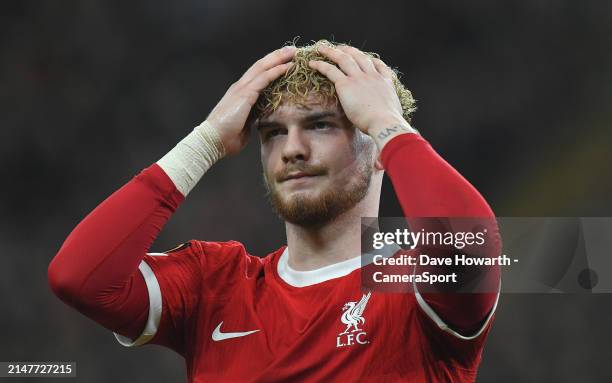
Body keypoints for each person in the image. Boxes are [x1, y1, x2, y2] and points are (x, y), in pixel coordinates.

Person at [48, 40, 501, 382]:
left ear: (377, 145)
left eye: (320, 125)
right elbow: (79, 279)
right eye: (273, 134)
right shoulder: (216, 286)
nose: (293, 150)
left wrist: (390, 124)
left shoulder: (415, 288)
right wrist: (205, 142)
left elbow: (472, 247)